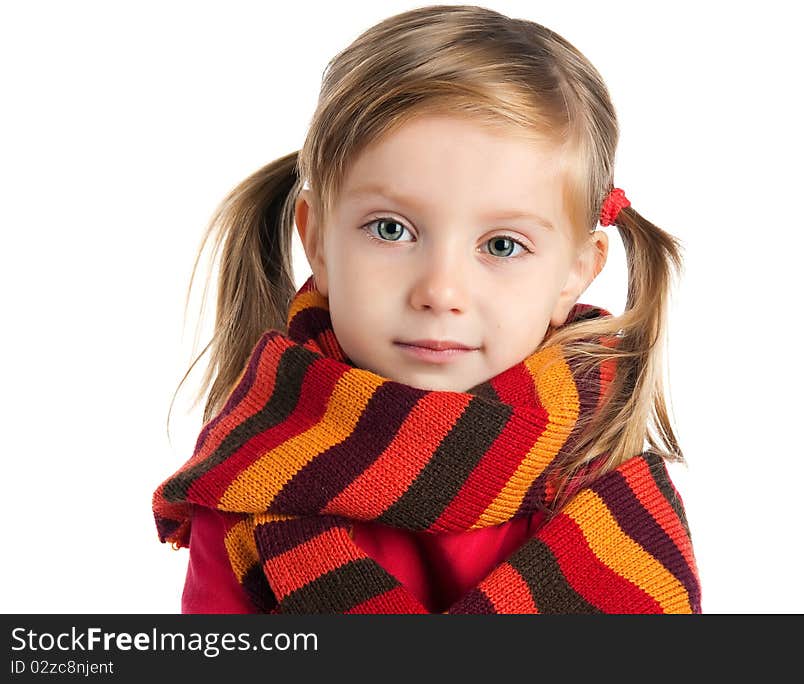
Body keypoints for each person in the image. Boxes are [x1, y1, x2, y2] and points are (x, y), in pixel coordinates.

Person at [152, 4, 701, 614]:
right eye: (391, 229)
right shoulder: (249, 486)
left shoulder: (602, 481)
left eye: (501, 245)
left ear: (575, 272)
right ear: (316, 241)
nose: (441, 291)